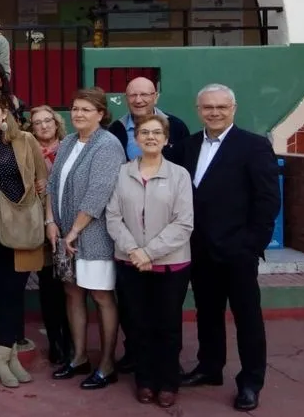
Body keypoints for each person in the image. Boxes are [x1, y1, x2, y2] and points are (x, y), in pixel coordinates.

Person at [175, 84, 280, 412]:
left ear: (233, 109)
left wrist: (251, 246)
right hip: (200, 251)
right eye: (208, 107)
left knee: (247, 318)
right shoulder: (187, 146)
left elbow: (267, 200)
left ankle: (250, 381)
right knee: (207, 314)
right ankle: (210, 368)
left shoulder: (254, 146)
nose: (215, 112)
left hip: (238, 252)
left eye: (221, 107)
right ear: (198, 109)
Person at [106, 114, 194, 408]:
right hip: (130, 263)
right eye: (145, 132)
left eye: (157, 133)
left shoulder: (179, 175)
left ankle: (168, 381)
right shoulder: (122, 173)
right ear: (136, 138)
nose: (151, 137)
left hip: (170, 265)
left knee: (167, 325)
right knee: (138, 324)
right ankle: (144, 380)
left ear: (167, 139)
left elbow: (183, 224)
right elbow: (113, 217)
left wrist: (149, 252)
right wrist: (134, 251)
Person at [46, 87, 126, 390]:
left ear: (101, 114)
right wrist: (50, 221)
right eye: (75, 108)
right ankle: (79, 357)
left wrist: (75, 231)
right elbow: (53, 184)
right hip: (64, 234)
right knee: (72, 293)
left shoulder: (108, 145)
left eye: (86, 110)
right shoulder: (67, 141)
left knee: (102, 296)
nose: (78, 114)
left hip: (92, 236)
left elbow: (98, 193)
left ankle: (107, 365)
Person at [0, 92, 48, 388]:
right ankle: (5, 358)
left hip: (24, 224)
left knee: (15, 289)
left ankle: (6, 352)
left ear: (5, 113)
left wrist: (47, 219)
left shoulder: (27, 141)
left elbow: (42, 184)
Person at [28, 106, 72, 366]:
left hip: (70, 224)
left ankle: (73, 341)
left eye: (48, 121)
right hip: (42, 226)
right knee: (49, 286)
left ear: (56, 124)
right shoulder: (29, 150)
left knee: (72, 289)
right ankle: (56, 342)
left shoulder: (70, 147)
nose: (44, 126)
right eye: (38, 123)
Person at [108, 76, 191, 162]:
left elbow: (187, 162)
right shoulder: (115, 130)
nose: (138, 100)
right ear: (126, 99)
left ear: (155, 97)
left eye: (144, 94)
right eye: (133, 95)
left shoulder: (176, 127)